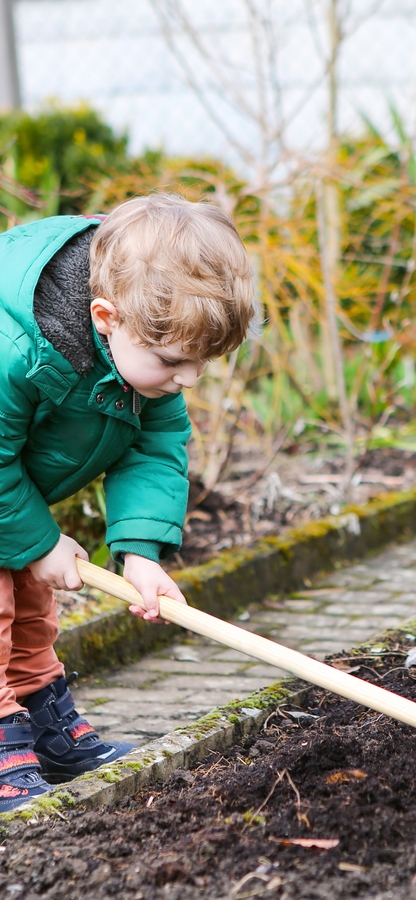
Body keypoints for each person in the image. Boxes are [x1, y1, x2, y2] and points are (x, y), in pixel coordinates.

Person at [0, 193, 256, 810]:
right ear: (106, 317)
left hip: (12, 488)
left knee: (32, 599)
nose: (188, 380)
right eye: (174, 362)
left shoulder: (146, 343)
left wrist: (139, 553)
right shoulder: (16, 349)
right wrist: (38, 541)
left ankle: (39, 721)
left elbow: (153, 446)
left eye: (202, 364)